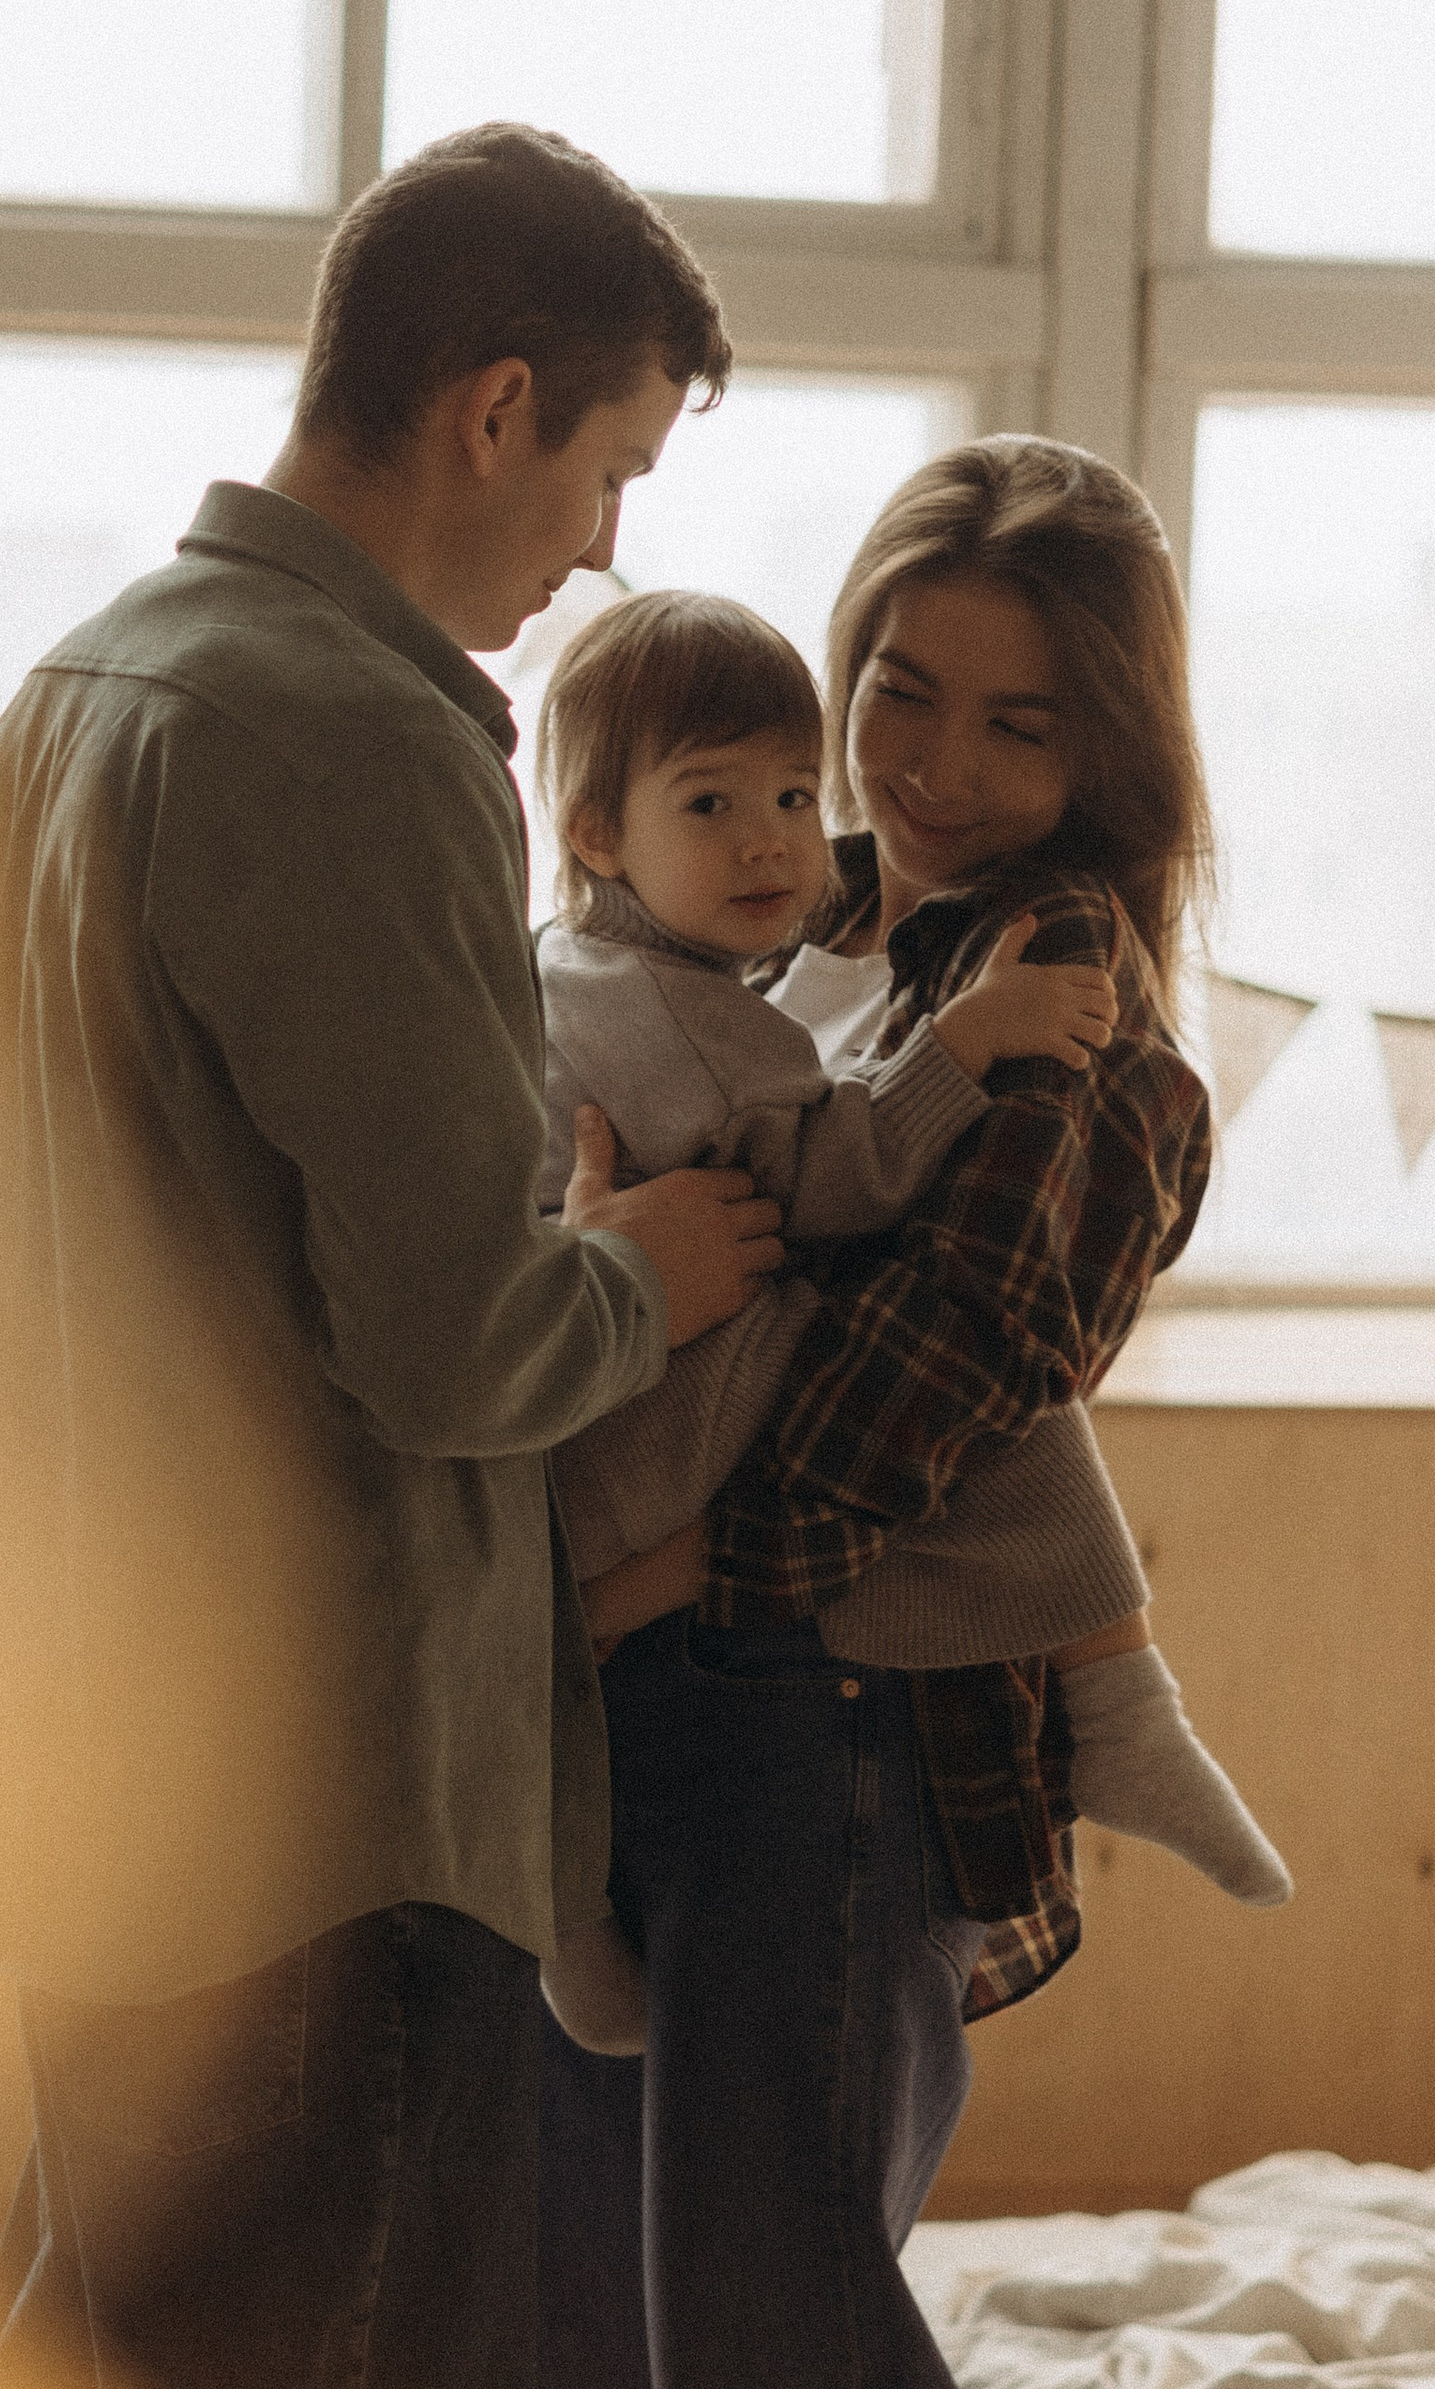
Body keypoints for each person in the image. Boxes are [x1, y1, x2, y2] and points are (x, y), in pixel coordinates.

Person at [0, 122, 784, 2389]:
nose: (602, 557)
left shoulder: (78, 700)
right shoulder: (360, 736)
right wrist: (645, 1271)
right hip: (325, 1817)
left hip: (92, 1775)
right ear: (494, 408)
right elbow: (454, 1346)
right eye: (615, 472)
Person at [519, 440, 1220, 2389]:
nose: (922, 762)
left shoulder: (1067, 1021)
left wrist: (625, 1559)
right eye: (893, 692)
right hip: (675, 1755)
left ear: (1110, 757)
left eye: (1011, 723)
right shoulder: (824, 955)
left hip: (817, 1751)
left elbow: (879, 1454)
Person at [527, 584, 1289, 2053]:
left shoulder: (648, 948)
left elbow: (967, 1314)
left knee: (983, 1371)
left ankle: (1123, 1712)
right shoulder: (697, 984)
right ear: (597, 833)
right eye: (904, 693)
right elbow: (827, 1178)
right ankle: (1125, 1706)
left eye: (789, 793)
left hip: (713, 1564)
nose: (770, 833)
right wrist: (958, 1046)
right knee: (1008, 1407)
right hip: (640, 1453)